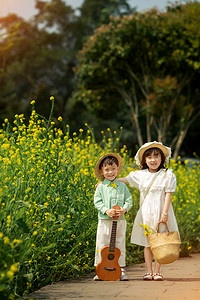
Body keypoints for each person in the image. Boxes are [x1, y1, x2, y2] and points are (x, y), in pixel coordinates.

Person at [118, 141, 180, 281]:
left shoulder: (167, 174)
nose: (153, 160)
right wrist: (108, 181)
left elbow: (168, 194)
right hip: (146, 213)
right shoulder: (140, 175)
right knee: (148, 243)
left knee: (160, 242)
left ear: (162, 159)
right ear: (144, 160)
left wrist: (164, 213)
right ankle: (148, 271)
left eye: (156, 157)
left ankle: (157, 272)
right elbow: (125, 180)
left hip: (162, 212)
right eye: (150, 157)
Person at [93, 153, 133, 281]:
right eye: (107, 170)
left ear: (118, 169)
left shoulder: (122, 186)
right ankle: (100, 268)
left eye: (113, 169)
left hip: (120, 220)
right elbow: (97, 202)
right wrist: (106, 210)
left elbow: (129, 200)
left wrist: (124, 209)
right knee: (102, 243)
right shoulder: (100, 187)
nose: (110, 172)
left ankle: (120, 268)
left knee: (119, 242)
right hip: (104, 220)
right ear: (102, 171)